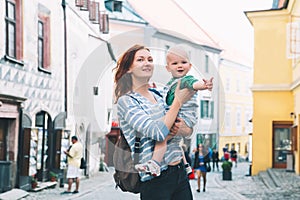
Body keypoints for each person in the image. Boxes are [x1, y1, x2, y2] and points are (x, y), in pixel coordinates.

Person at [114, 44, 195, 199]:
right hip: (155, 178)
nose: (147, 63)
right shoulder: (127, 101)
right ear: (129, 68)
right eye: (140, 59)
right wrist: (178, 101)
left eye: (150, 59)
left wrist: (182, 128)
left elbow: (187, 131)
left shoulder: (160, 94)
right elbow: (157, 132)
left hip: (179, 172)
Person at [135, 45, 213, 176]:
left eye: (183, 62)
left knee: (162, 136)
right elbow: (167, 96)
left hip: (184, 115)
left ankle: (154, 163)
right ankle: (186, 165)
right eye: (175, 63)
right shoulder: (172, 82)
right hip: (179, 114)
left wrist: (204, 85)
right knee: (175, 142)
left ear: (190, 65)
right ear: (168, 67)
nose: (180, 66)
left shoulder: (186, 79)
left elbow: (194, 84)